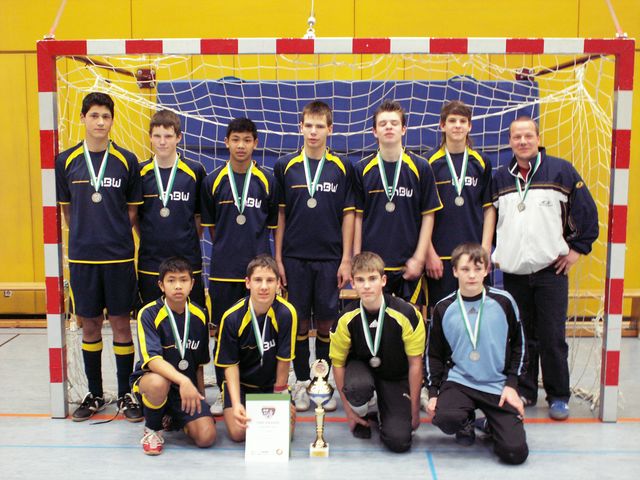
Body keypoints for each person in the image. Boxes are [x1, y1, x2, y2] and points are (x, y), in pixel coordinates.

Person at [492, 117, 598, 420]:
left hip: (552, 272)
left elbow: (587, 212)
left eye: (528, 136)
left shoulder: (561, 171)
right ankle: (525, 390)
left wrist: (577, 250)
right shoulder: (500, 178)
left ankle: (558, 395)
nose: (523, 141)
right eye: (517, 137)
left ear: (538, 139)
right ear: (510, 142)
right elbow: (491, 219)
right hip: (514, 274)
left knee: (552, 335)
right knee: (522, 336)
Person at [55, 92, 143, 422]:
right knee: (89, 325)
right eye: (94, 115)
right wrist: (88, 234)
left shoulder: (127, 160)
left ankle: (125, 393)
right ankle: (94, 393)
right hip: (83, 258)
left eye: (106, 116)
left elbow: (132, 211)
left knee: (121, 324)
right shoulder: (66, 161)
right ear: (83, 118)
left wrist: (112, 234)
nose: (100, 122)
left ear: (112, 120)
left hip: (118, 257)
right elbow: (67, 211)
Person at [274, 100, 355, 412]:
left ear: (330, 129)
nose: (313, 131)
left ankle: (321, 382)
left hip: (329, 259)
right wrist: (278, 258)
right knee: (296, 323)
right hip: (294, 258)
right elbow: (280, 216)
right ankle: (301, 380)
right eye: (308, 125)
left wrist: (346, 259)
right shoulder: (285, 166)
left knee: (325, 323)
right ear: (300, 127)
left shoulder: (342, 167)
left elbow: (348, 215)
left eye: (320, 126)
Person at [201, 118, 280, 415]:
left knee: (262, 331)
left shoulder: (267, 180)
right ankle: (225, 391)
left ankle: (261, 387)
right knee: (223, 334)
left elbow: (272, 225)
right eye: (235, 139)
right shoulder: (212, 181)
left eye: (247, 140)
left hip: (260, 274)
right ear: (226, 142)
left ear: (255, 143)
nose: (241, 146)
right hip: (224, 272)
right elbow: (212, 229)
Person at [426, 243, 528, 465]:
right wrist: (433, 392)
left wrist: (512, 385)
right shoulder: (444, 308)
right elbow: (433, 355)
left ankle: (491, 424)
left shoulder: (504, 302)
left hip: (497, 384)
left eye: (477, 268)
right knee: (445, 418)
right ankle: (466, 420)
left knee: (514, 453)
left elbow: (520, 345)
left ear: (487, 270)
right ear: (455, 271)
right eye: (465, 269)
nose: (471, 275)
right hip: (460, 381)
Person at [330, 252, 425, 453]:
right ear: (352, 283)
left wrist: (414, 411)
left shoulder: (407, 314)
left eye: (372, 279)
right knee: (357, 388)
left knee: (399, 441)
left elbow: (416, 364)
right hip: (362, 374)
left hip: (395, 377)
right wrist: (348, 412)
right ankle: (362, 410)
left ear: (383, 280)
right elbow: (338, 364)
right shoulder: (345, 318)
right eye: (360, 280)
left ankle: (383, 411)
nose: (366, 286)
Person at [353, 99, 442, 306]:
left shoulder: (421, 167)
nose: (388, 127)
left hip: (408, 264)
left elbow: (428, 215)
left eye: (394, 123)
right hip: (372, 267)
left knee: (411, 320)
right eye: (383, 124)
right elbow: (357, 217)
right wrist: (357, 258)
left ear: (403, 129)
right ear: (374, 131)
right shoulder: (362, 169)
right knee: (374, 321)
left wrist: (419, 257)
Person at [131, 257, 216, 455]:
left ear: (192, 283)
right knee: (158, 382)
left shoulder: (200, 315)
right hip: (152, 382)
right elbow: (153, 361)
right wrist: (183, 380)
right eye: (171, 280)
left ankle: (173, 417)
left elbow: (199, 365)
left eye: (183, 280)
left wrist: (201, 398)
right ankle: (153, 429)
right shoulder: (148, 314)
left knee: (206, 437)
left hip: (184, 390)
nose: (178, 286)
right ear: (161, 285)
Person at [214, 255, 297, 442]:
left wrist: (280, 398)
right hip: (242, 386)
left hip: (272, 386)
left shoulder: (287, 313)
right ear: (248, 283)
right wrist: (237, 404)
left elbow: (284, 359)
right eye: (258, 280)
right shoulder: (232, 317)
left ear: (278, 284)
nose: (264, 286)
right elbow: (230, 365)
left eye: (270, 280)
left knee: (284, 435)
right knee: (238, 433)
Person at [426, 100, 495, 311]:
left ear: (470, 126)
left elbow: (489, 208)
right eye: (452, 120)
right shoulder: (428, 163)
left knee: (476, 312)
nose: (457, 125)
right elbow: (422, 214)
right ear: (442, 125)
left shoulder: (481, 161)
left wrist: (485, 249)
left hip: (474, 255)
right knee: (442, 313)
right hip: (440, 257)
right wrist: (429, 253)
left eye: (463, 121)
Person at [136, 110, 206, 307]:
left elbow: (199, 217)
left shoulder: (195, 171)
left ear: (178, 137)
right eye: (157, 136)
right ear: (150, 137)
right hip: (151, 261)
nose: (162, 142)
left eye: (168, 136)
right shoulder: (140, 172)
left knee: (192, 316)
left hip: (187, 260)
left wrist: (186, 238)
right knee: (151, 317)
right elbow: (137, 217)